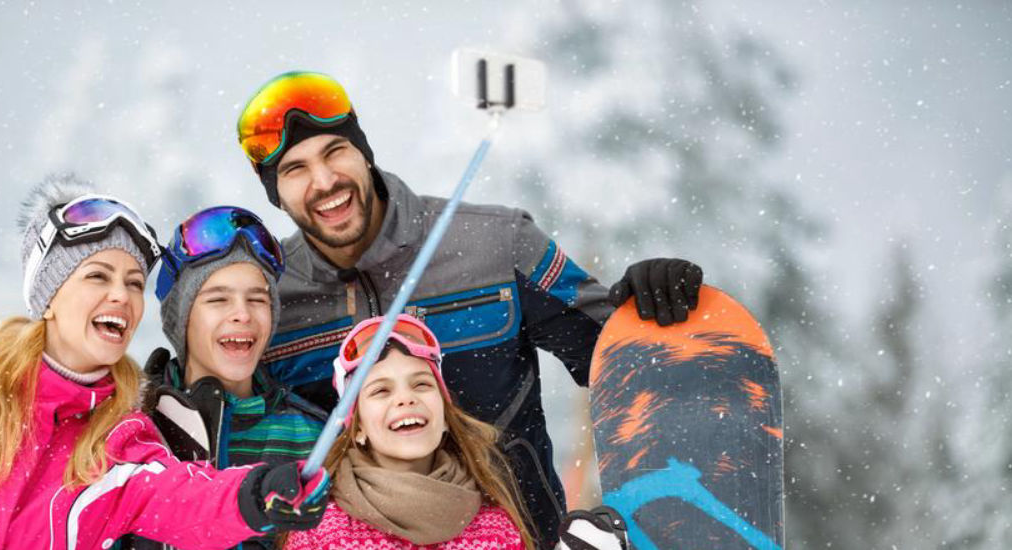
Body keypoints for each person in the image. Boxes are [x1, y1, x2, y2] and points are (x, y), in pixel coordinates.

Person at [235, 71, 704, 546]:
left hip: (518, 538)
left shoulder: (495, 244)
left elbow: (613, 359)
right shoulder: (271, 300)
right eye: (295, 170)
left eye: (335, 152)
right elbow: (236, 433)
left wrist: (651, 309)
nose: (324, 181)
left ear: (363, 151)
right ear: (275, 192)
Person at [0, 176, 327, 549]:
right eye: (98, 276)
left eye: (134, 283)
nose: (121, 296)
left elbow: (187, 499)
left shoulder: (120, 441)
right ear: (49, 296)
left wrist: (256, 494)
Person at [120, 206, 328, 550]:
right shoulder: (130, 428)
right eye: (218, 299)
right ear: (182, 319)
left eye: (257, 299)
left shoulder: (313, 437)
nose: (242, 314)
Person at [283, 315, 531, 549]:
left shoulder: (497, 530)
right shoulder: (319, 532)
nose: (405, 398)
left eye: (421, 384)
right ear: (357, 427)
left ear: (446, 416)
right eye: (381, 390)